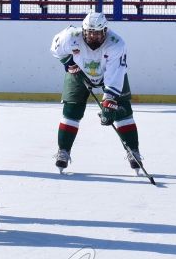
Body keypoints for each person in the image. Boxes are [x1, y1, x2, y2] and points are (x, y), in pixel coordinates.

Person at [50, 11, 142, 172]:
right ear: (83, 30)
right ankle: (63, 151)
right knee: (71, 110)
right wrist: (69, 62)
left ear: (105, 31)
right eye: (89, 33)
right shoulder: (70, 36)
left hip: (108, 74)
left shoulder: (116, 44)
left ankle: (133, 150)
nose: (92, 37)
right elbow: (56, 48)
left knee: (122, 112)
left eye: (97, 34)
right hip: (79, 73)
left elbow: (115, 75)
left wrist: (109, 102)